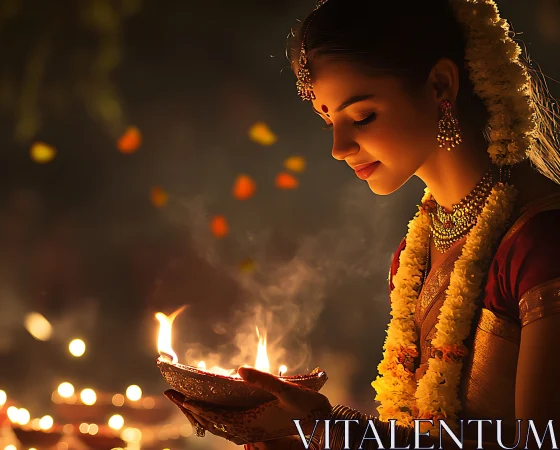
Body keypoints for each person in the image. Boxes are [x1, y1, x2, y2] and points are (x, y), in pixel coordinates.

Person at [164, 0, 560, 448]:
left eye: (362, 116)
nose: (338, 146)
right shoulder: (415, 253)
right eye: (327, 120)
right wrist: (301, 434)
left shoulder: (540, 242)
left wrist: (327, 431)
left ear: (439, 84)